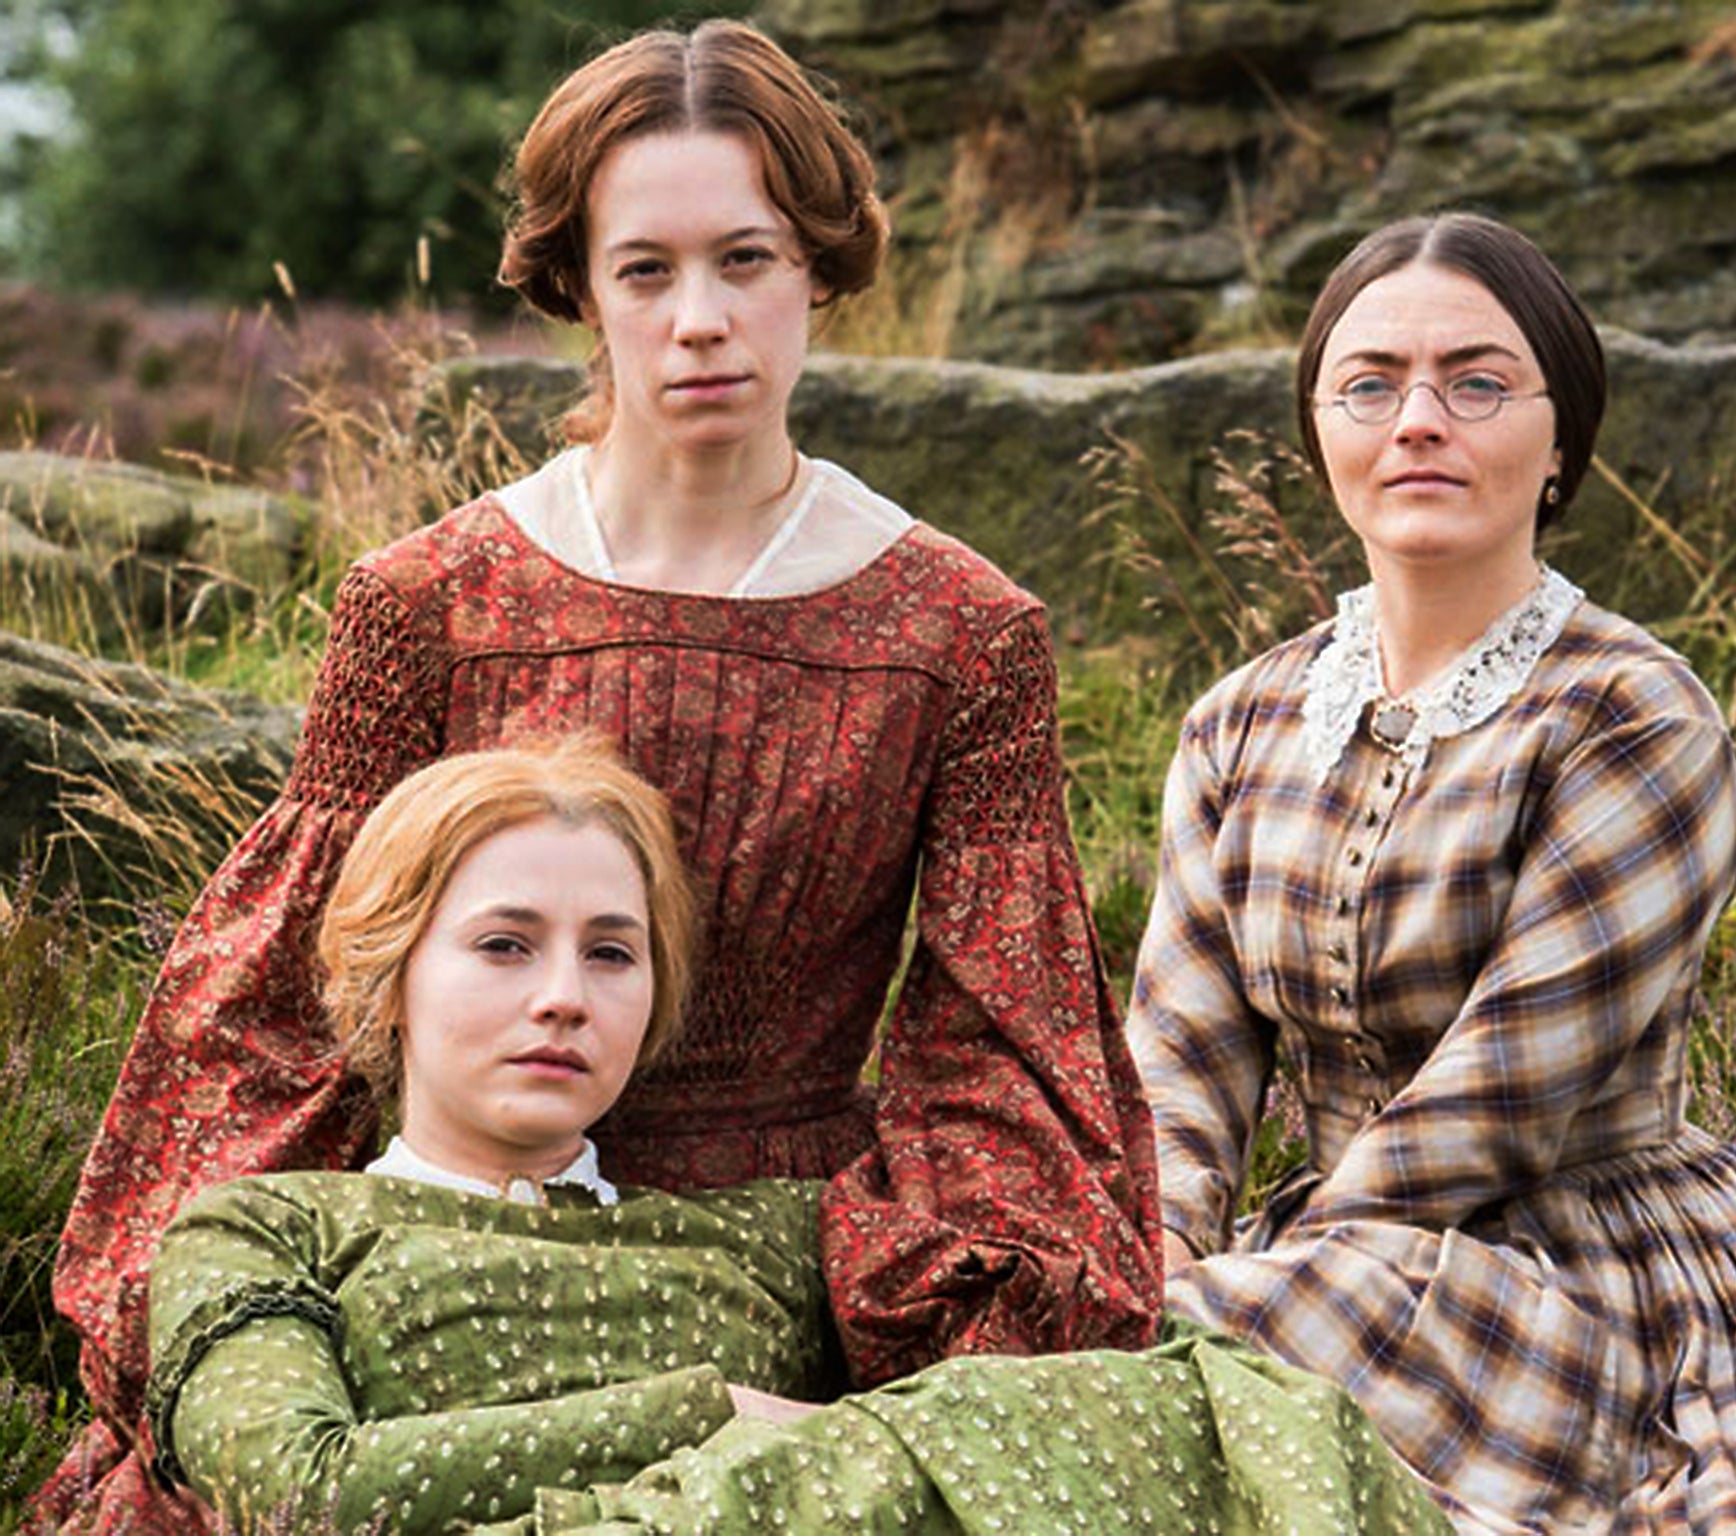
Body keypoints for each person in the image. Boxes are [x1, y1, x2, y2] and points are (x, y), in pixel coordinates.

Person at [39, 21, 1157, 1533]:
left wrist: (939, 1326)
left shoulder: (961, 637)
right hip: (442, 1262)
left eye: (747, 260)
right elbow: (284, 1009)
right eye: (648, 270)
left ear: (819, 269)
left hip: (776, 1284)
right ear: (581, 289)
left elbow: (994, 1051)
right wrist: (228, 1295)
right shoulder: (427, 602)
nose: (702, 318)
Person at [1127, 211, 1736, 1531]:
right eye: (1371, 383)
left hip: (1572, 1264)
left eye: (1479, 382)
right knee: (1090, 1329)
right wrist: (1143, 1258)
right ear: (1318, 426)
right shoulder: (1242, 723)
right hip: (1331, 1256)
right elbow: (1176, 1068)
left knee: (1160, 1356)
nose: (1421, 419)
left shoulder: (1632, 716)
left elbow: (1499, 1106)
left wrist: (1251, 1277)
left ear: (1562, 440)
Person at [148, 739, 1451, 1535]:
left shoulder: (783, 1225)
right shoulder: (269, 1226)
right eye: (503, 945)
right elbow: (296, 1496)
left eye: (613, 954)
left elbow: (1034, 1360)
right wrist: (712, 1413)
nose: (562, 995)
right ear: (390, 971)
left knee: (1217, 1387)